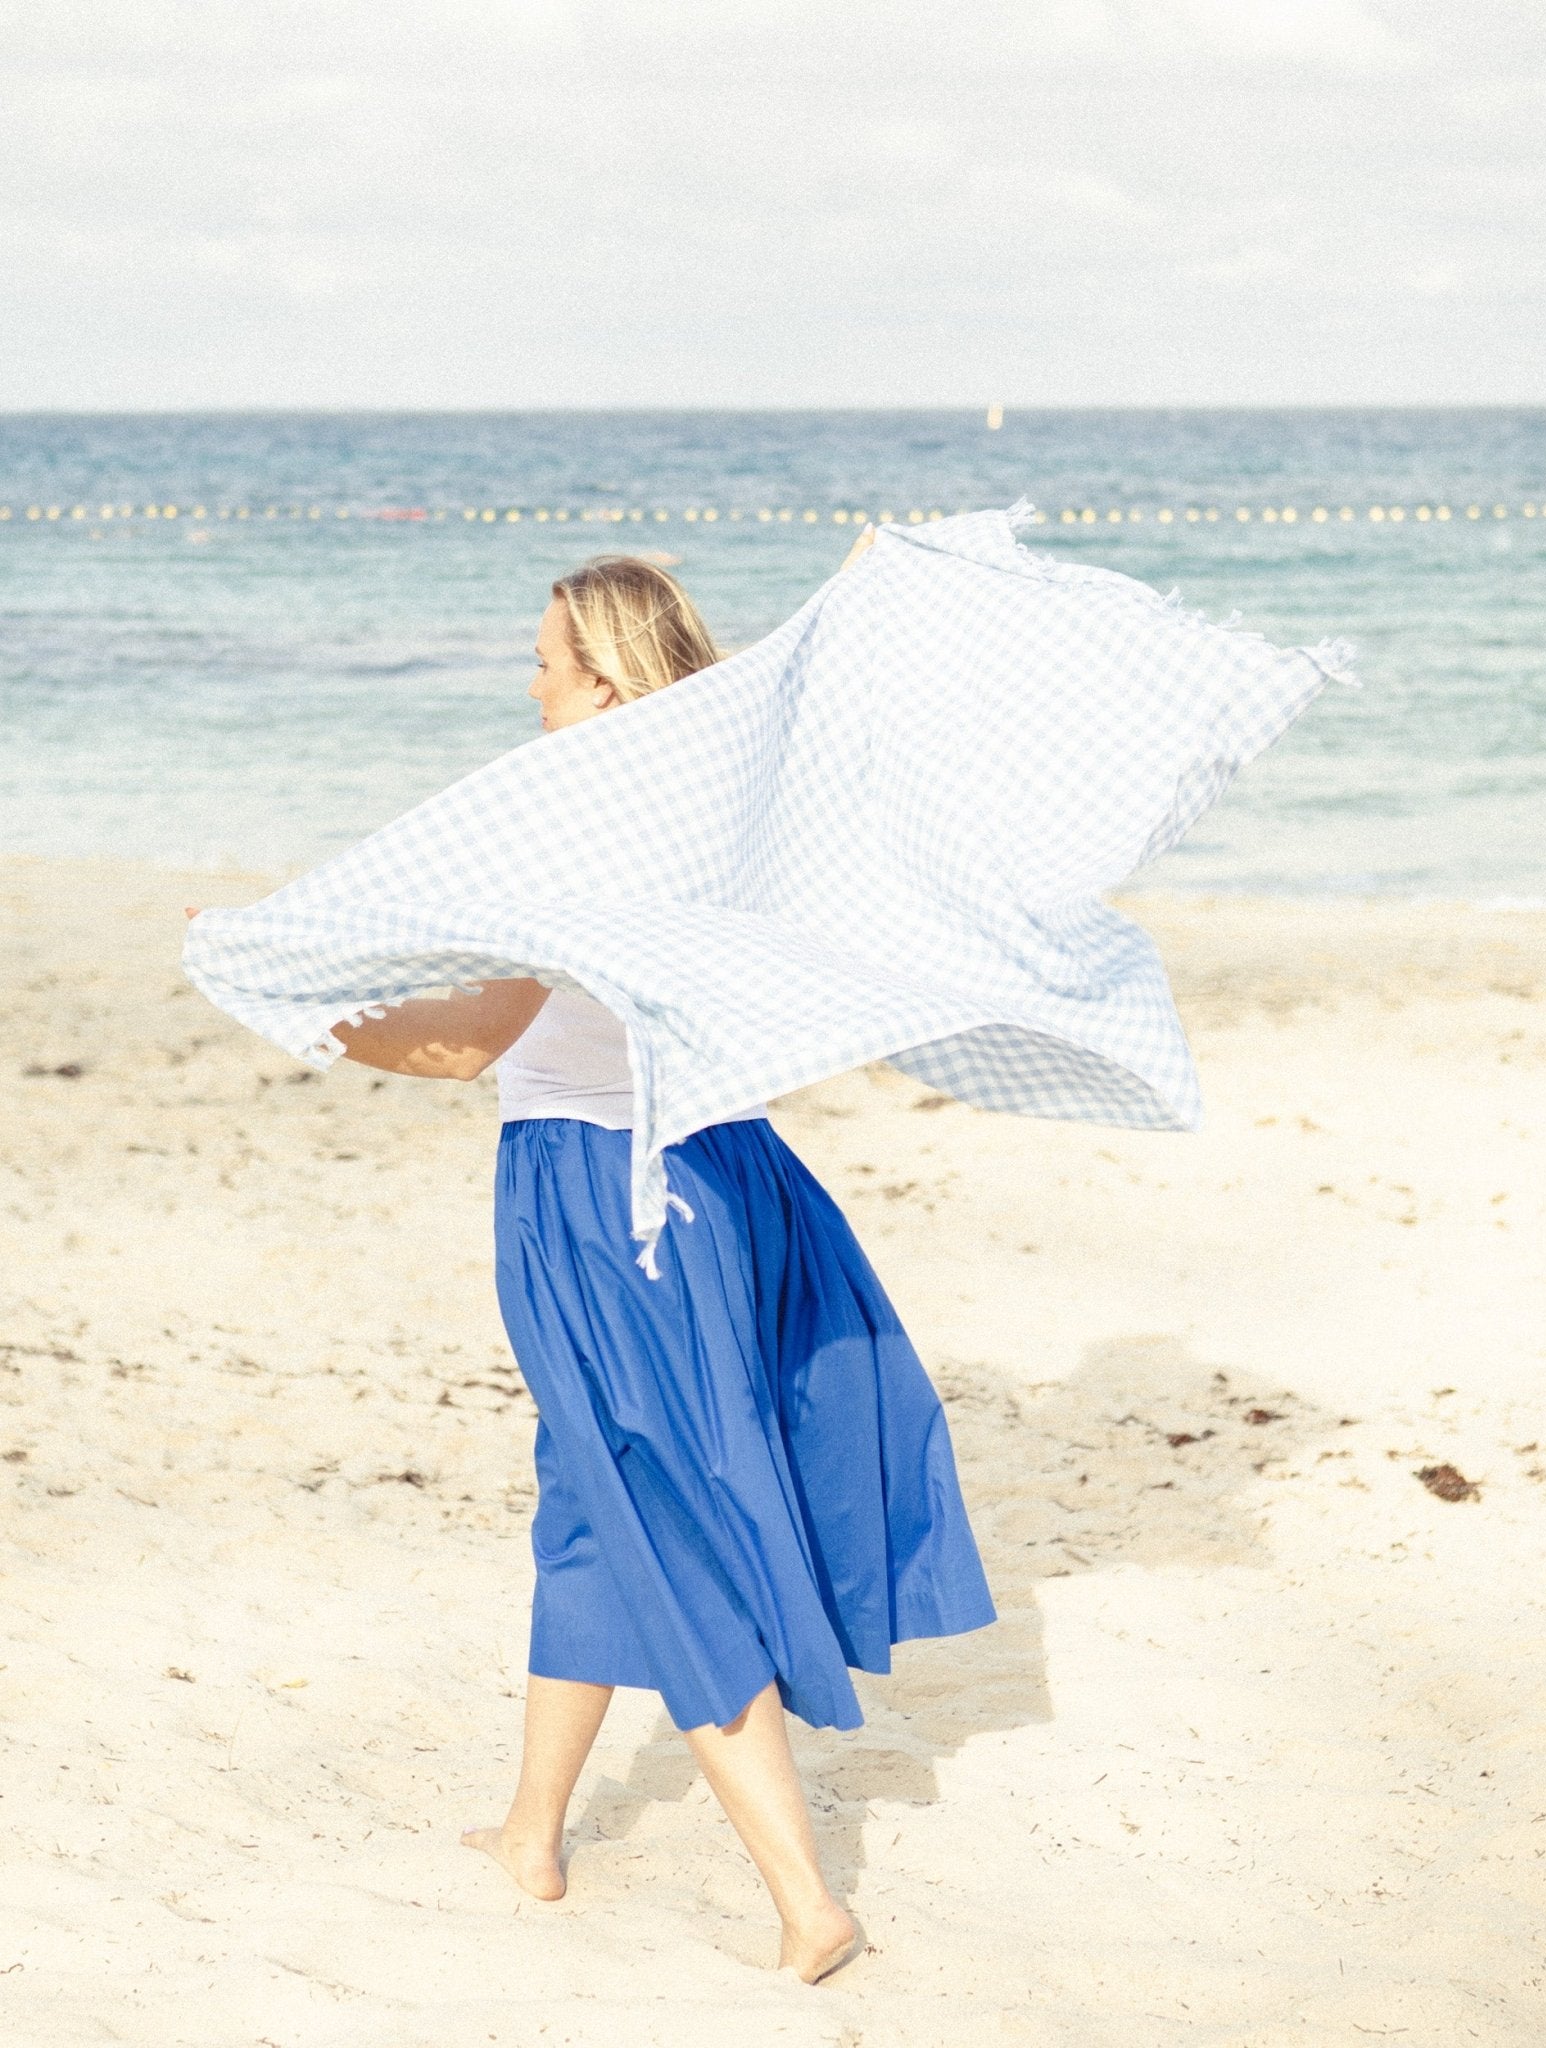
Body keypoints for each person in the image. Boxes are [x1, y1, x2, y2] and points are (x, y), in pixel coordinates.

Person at [190, 541, 996, 1986]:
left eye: (548, 659)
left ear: (606, 679)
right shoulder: (727, 809)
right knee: (588, 1498)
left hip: (601, 1201)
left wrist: (284, 998)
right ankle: (531, 1832)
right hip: (735, 1182)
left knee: (669, 1521)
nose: (531, 681)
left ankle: (806, 1900)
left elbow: (465, 1045)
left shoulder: (573, 826)